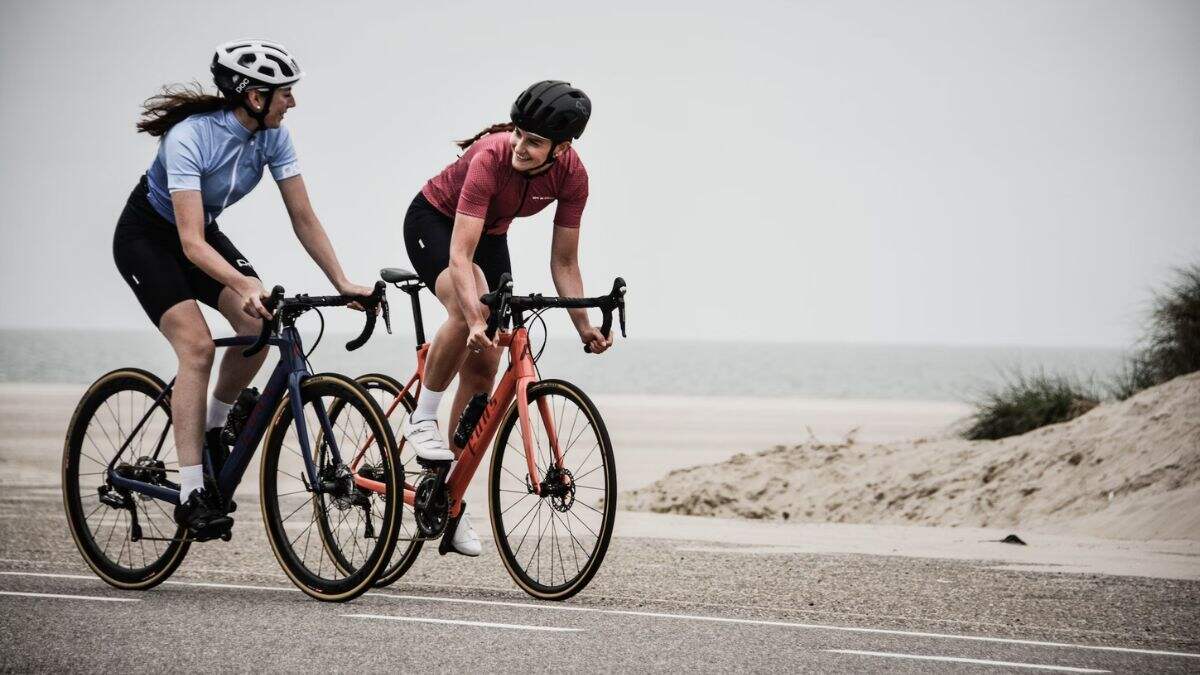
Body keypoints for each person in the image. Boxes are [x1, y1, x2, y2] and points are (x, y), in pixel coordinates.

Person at [113, 40, 372, 538]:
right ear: (255, 97)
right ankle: (191, 492)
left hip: (200, 235)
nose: (292, 102)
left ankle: (214, 426)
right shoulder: (190, 137)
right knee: (197, 348)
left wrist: (340, 282)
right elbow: (190, 243)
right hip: (148, 240)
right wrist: (242, 281)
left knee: (257, 323)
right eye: (284, 93)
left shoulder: (273, 137)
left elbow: (303, 216)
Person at [401, 80, 612, 556]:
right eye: (518, 133)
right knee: (468, 308)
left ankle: (449, 500)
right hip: (434, 222)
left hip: (491, 235)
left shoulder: (573, 177)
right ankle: (423, 416)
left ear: (561, 148)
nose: (519, 146)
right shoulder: (491, 156)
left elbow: (565, 263)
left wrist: (584, 327)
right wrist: (475, 318)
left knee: (486, 366)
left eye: (534, 141)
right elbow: (460, 256)